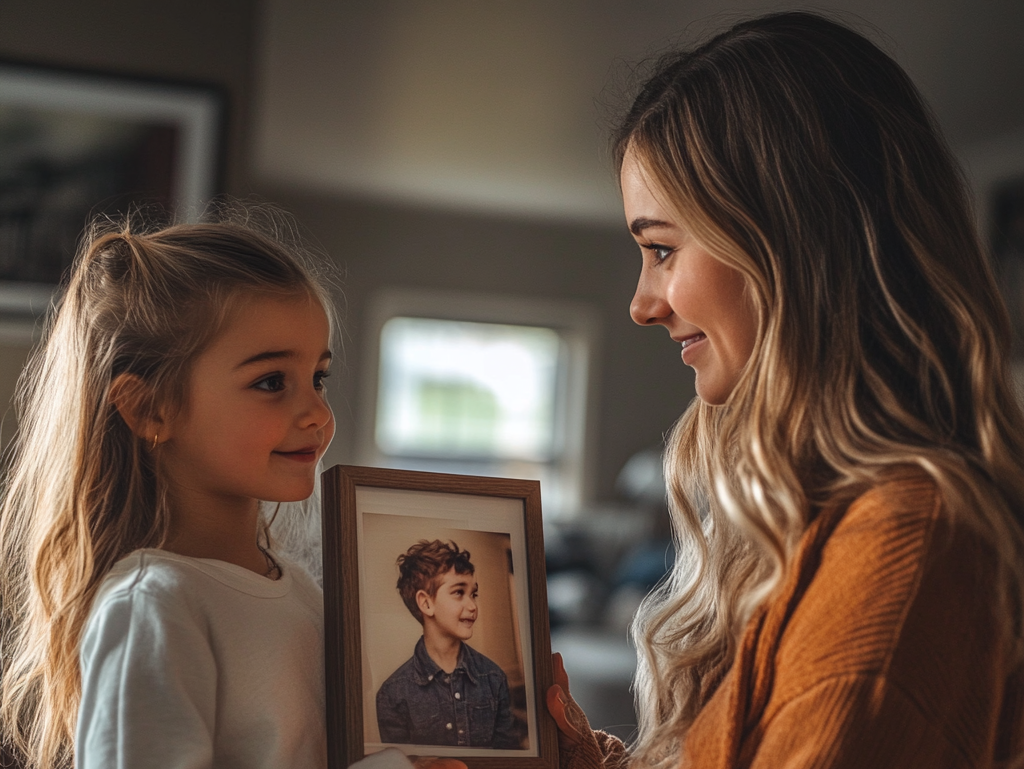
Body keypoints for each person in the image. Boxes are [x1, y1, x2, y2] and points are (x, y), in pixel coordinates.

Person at [546, 11, 1024, 769]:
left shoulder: (904, 545)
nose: (642, 302)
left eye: (662, 249)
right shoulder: (820, 518)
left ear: (787, 243)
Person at [0, 210, 457, 769]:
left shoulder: (304, 595)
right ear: (149, 408)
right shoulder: (153, 605)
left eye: (318, 377)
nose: (317, 412)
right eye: (271, 382)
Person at [376, 540, 521, 749]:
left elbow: (509, 755)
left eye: (474, 594)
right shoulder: (392, 695)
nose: (472, 606)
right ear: (426, 603)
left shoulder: (494, 677)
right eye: (459, 592)